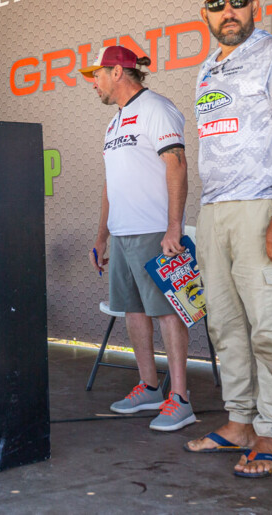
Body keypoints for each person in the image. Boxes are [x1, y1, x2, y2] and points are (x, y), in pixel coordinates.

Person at [183, 0, 272, 478]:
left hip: (263, 209)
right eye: (217, 3)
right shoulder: (206, 70)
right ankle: (239, 422)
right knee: (225, 327)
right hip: (214, 213)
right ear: (205, 13)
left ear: (254, 5)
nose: (228, 11)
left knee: (269, 327)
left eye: (237, 1)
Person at [81, 45, 196, 432]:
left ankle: (180, 398)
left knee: (167, 311)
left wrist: (174, 227)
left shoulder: (156, 108)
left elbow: (177, 165)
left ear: (117, 72)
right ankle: (149, 387)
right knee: (132, 310)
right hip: (122, 233)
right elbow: (110, 185)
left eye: (97, 75)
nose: (93, 83)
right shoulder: (113, 124)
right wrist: (101, 237)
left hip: (155, 231)